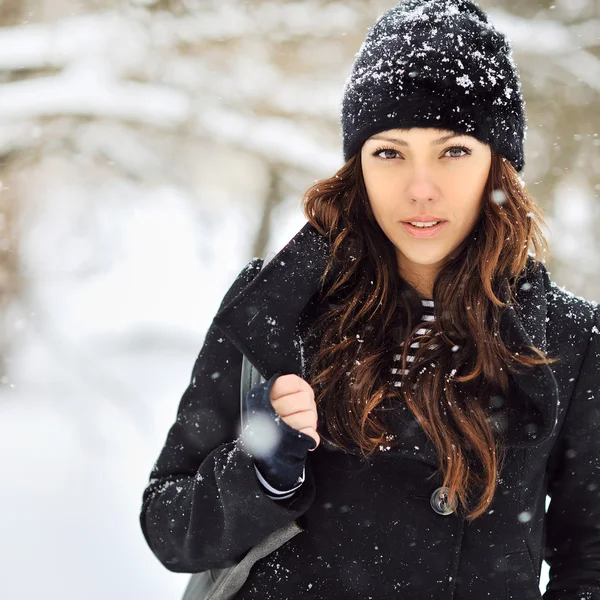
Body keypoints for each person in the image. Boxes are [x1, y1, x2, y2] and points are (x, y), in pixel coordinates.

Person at [139, 0, 600, 598]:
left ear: (499, 166)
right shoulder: (279, 308)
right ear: (358, 165)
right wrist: (263, 471)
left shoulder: (567, 339)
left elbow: (588, 560)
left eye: (454, 150)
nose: (420, 188)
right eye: (389, 152)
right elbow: (169, 529)